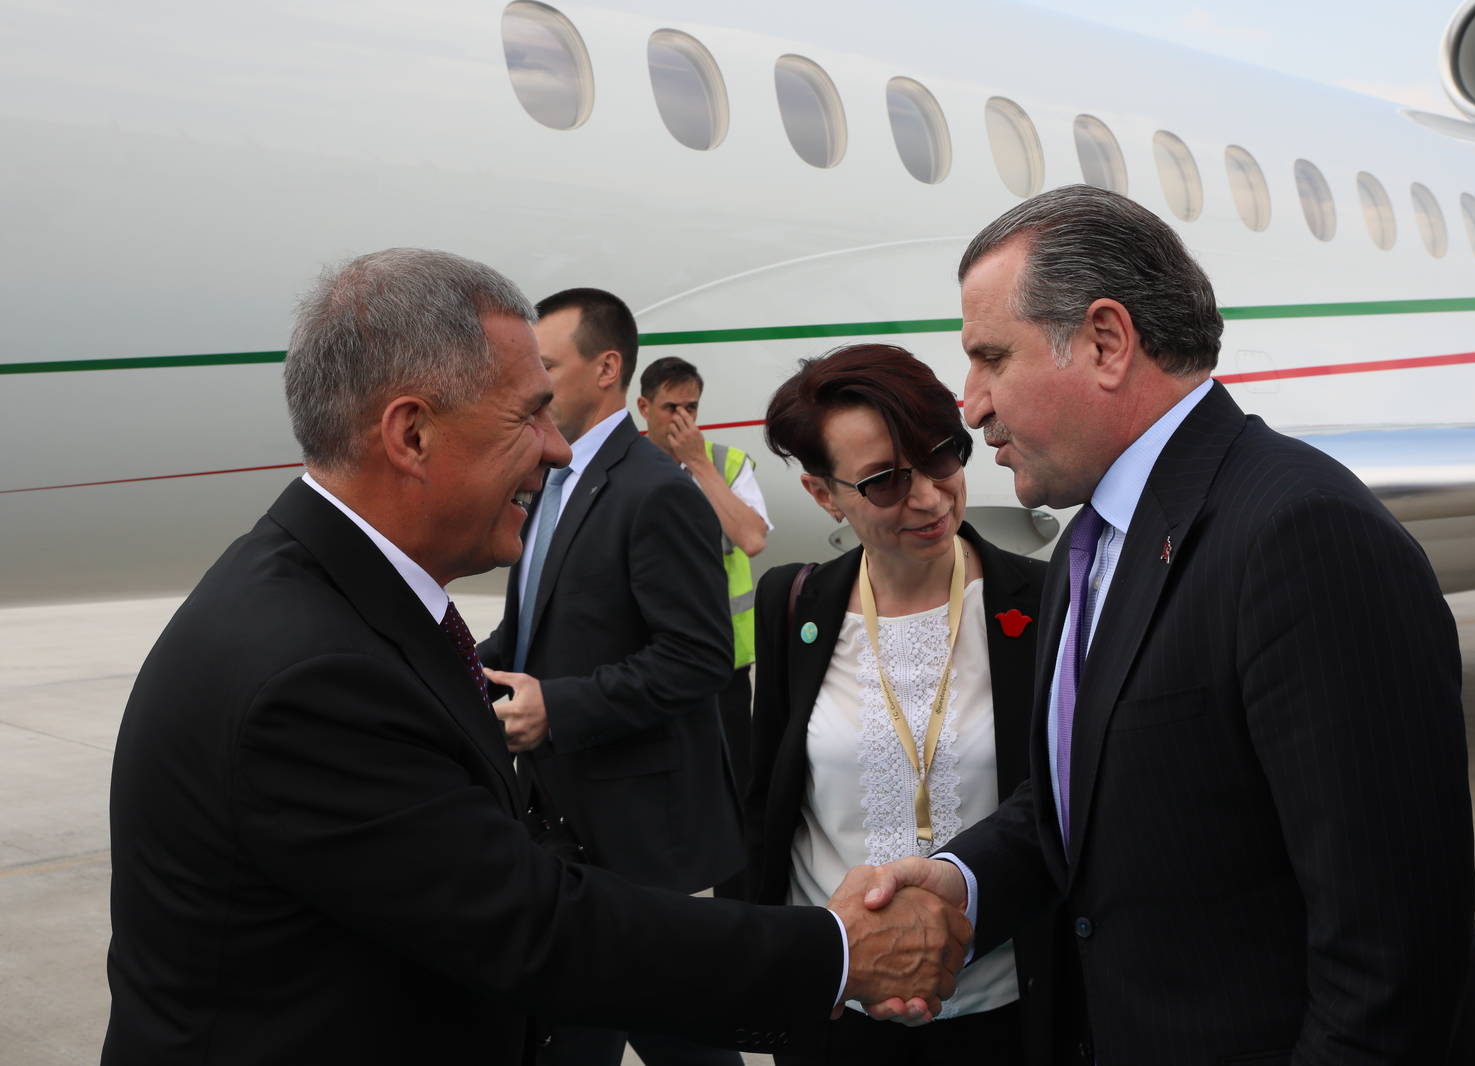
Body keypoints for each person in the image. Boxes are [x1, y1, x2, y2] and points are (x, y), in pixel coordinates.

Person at [100, 249, 970, 1065]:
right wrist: (837, 949)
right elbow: (536, 931)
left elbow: (689, 655)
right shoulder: (310, 674)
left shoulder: (323, 592)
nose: (555, 448)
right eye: (527, 415)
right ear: (411, 435)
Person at [852, 186, 1475, 1064]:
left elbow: (1392, 955)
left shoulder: (1300, 534)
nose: (971, 404)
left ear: (1106, 342)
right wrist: (963, 880)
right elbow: (1093, 796)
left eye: (990, 358)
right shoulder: (1095, 545)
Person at [746, 343, 1058, 1065]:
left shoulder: (1043, 603)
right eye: (884, 481)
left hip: (1000, 1010)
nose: (928, 497)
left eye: (943, 456)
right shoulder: (792, 605)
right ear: (824, 494)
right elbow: (768, 806)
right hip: (836, 1016)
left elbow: (1058, 804)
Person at [474, 289, 742, 1066]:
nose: (530, 385)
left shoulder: (655, 491)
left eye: (546, 366)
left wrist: (556, 708)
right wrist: (453, 666)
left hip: (637, 841)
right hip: (560, 825)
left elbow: (699, 656)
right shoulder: (549, 482)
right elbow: (531, 630)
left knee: (681, 1043)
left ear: (606, 369)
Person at [636, 354, 772, 799]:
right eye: (670, 408)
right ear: (644, 408)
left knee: (733, 778)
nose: (682, 419)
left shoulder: (726, 464)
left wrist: (699, 466)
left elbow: (752, 538)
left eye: (690, 408)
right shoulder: (626, 468)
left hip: (722, 656)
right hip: (650, 655)